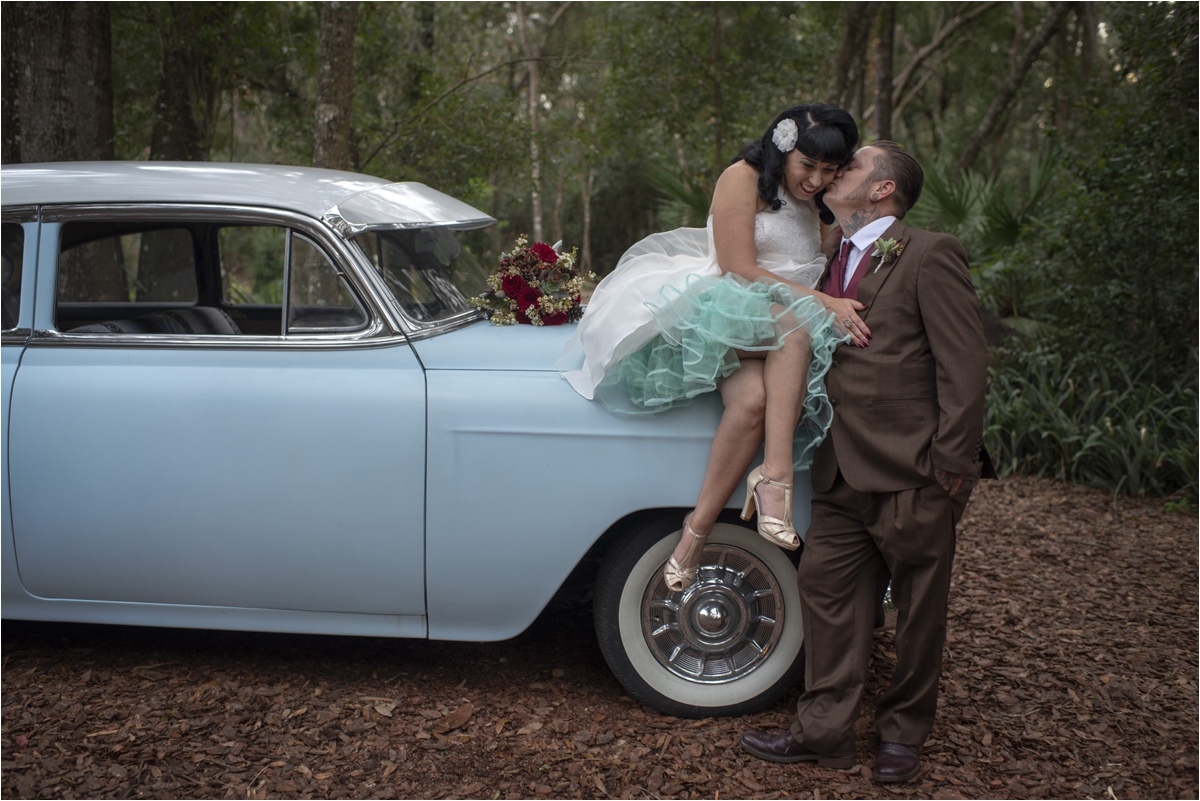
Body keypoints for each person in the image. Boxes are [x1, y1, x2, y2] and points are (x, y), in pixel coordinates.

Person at [738, 140, 994, 783]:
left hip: (913, 471)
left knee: (918, 612)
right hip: (838, 468)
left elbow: (965, 368)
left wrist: (950, 474)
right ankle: (824, 732)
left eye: (850, 166)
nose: (833, 171)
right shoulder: (829, 257)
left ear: (883, 189)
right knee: (827, 593)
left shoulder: (930, 252)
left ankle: (902, 737)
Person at [558, 104, 866, 590]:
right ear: (784, 147)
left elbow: (817, 260)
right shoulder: (742, 178)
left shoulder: (821, 202)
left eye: (828, 171)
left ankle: (693, 535)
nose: (815, 180)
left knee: (751, 403)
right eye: (808, 166)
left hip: (781, 311)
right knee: (794, 332)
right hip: (730, 305)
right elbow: (739, 267)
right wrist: (826, 303)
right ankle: (775, 477)